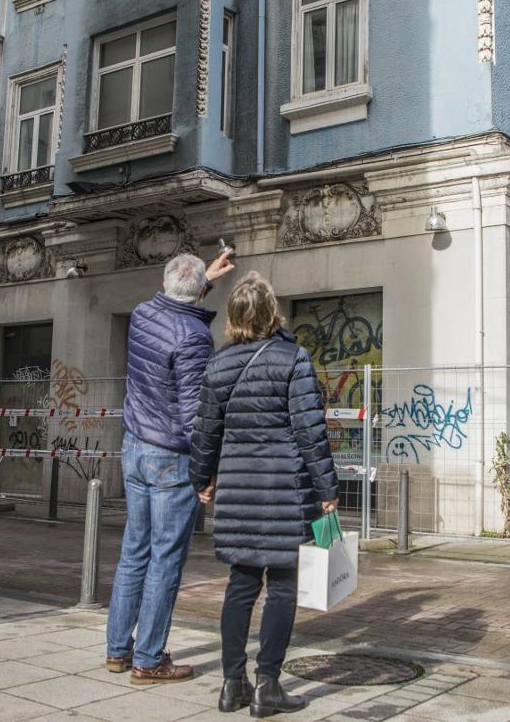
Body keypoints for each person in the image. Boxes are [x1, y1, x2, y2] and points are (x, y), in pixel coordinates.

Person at [190, 272, 339, 717]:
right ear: (272, 313)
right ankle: (268, 684)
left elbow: (205, 433)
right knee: (282, 585)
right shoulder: (293, 359)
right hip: (284, 489)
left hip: (237, 489)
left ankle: (232, 683)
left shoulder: (217, 365)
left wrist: (202, 479)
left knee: (241, 583)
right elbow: (310, 433)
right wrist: (328, 489)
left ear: (234, 317)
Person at [106, 249, 235, 686]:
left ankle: (118, 649)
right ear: (197, 292)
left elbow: (172, 299)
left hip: (135, 447)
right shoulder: (193, 336)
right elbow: (194, 413)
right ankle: (149, 658)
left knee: (134, 551)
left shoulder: (143, 314)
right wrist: (206, 469)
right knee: (165, 559)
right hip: (170, 457)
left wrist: (205, 280)